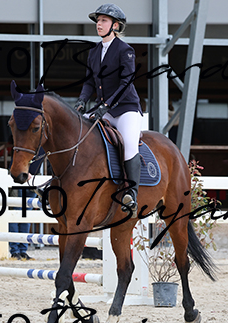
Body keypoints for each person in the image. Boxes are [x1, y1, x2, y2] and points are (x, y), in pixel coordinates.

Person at [74, 3, 142, 217]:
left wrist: (106, 106)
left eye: (103, 20)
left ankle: (132, 193)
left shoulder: (125, 50)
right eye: (98, 20)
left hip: (125, 109)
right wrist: (81, 101)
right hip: (103, 108)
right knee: (76, 132)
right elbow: (89, 82)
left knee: (129, 145)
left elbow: (126, 83)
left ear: (115, 25)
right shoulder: (94, 52)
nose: (99, 24)